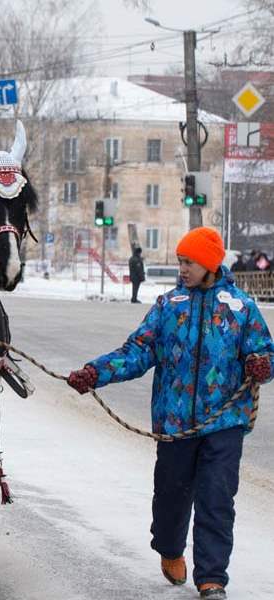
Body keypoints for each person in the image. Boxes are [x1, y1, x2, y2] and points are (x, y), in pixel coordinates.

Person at [66, 227, 274, 600]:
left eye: (188, 262)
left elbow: (264, 352)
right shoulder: (168, 306)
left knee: (216, 499)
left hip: (224, 423)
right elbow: (138, 351)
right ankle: (169, 546)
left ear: (209, 264)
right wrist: (96, 372)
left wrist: (261, 364)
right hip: (175, 423)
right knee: (170, 497)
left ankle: (212, 578)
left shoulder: (240, 308)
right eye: (179, 261)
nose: (182, 268)